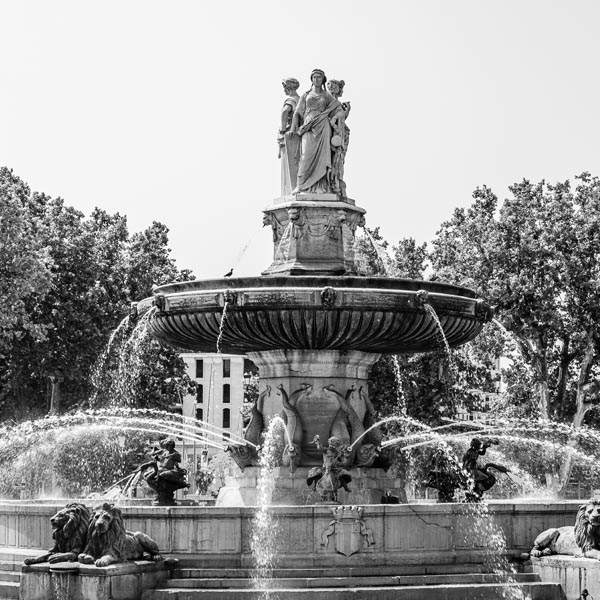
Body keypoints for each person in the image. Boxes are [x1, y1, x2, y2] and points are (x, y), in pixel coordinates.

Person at [290, 69, 341, 194]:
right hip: (308, 126)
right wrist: (293, 127)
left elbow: (338, 108)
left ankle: (322, 186)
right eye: (314, 77)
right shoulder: (305, 95)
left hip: (323, 127)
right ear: (311, 79)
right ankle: (301, 185)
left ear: (322, 79)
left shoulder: (327, 96)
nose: (316, 79)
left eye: (319, 77)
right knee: (306, 155)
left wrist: (335, 118)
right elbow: (297, 112)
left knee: (323, 157)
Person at [327, 79, 351, 198]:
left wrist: (347, 111)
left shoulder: (335, 102)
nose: (331, 87)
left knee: (337, 161)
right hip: (331, 137)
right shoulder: (327, 100)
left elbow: (340, 118)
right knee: (332, 161)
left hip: (338, 137)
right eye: (330, 85)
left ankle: (335, 182)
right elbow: (331, 119)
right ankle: (332, 183)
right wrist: (335, 126)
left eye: (334, 86)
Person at [278, 77, 301, 195]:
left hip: (289, 134)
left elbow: (285, 112)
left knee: (289, 164)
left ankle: (290, 191)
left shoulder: (292, 100)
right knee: (298, 162)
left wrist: (282, 129)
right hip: (299, 134)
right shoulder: (302, 99)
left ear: (288, 87)